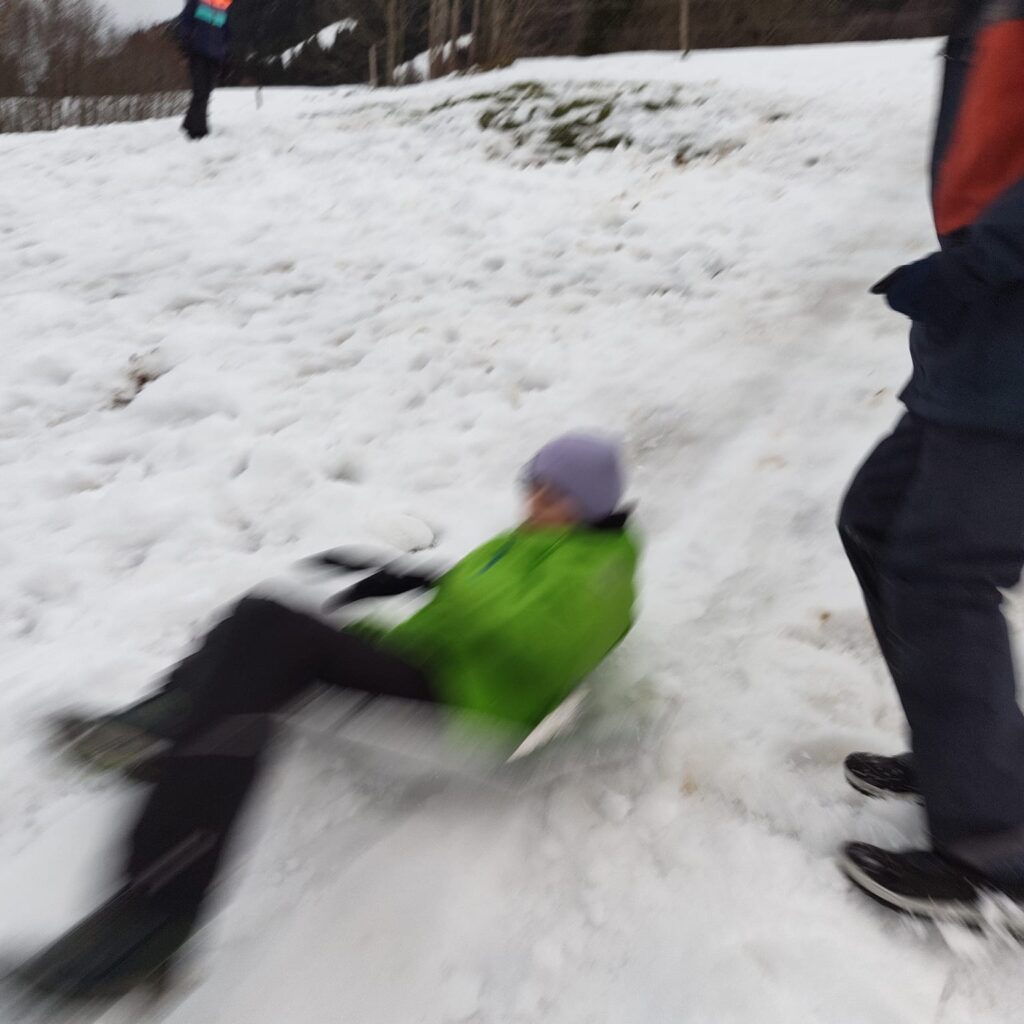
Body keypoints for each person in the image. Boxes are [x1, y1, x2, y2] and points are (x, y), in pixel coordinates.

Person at [14, 433, 639, 1000]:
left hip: (467, 700)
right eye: (533, 484)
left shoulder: (603, 572)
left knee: (273, 645)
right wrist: (408, 587)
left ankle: (153, 921)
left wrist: (445, 587)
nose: (536, 500)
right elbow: (474, 606)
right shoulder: (522, 543)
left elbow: (545, 647)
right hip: (425, 664)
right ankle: (159, 728)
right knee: (260, 617)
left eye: (554, 493)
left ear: (589, 503)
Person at [839, 0, 1024, 925]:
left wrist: (982, 261)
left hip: (1011, 340)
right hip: (983, 340)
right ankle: (971, 758)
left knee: (943, 571)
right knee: (874, 521)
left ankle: (995, 845)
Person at [176, 0, 233, 141]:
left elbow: (225, 30)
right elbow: (186, 21)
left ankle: (189, 123)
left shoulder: (223, 4)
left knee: (206, 91)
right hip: (197, 51)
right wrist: (185, 46)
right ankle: (198, 131)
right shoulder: (196, 2)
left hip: (215, 55)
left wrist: (225, 54)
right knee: (200, 90)